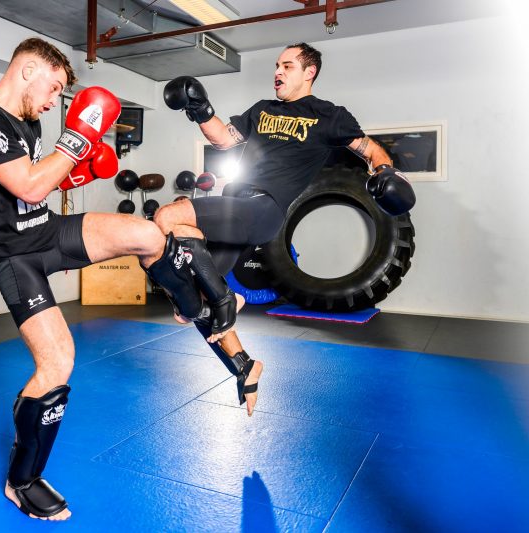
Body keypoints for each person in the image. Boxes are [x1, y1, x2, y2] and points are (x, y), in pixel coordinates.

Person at [0, 37, 252, 521]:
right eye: (53, 88)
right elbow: (29, 183)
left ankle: (186, 303)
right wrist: (79, 139)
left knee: (148, 235)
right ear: (27, 70)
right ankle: (23, 480)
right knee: (58, 364)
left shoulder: (26, 121)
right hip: (12, 257)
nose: (54, 102)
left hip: (45, 231)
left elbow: (32, 188)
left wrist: (74, 173)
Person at [155, 42, 416, 416]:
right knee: (198, 302)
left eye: (287, 65)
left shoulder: (329, 116)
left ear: (309, 72)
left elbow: (369, 148)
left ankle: (227, 300)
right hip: (236, 200)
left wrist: (386, 171)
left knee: (168, 216)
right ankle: (244, 365)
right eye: (277, 65)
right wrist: (200, 108)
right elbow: (223, 139)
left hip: (263, 208)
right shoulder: (262, 111)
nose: (278, 71)